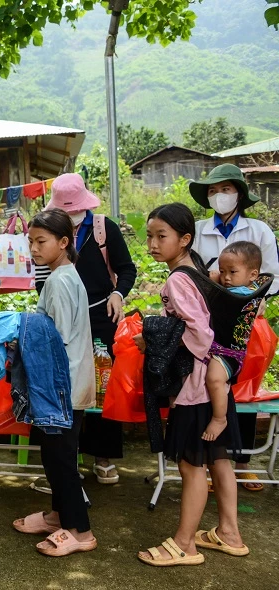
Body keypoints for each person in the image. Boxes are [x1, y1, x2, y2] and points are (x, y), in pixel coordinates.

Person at [137, 203, 248, 566]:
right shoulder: (196, 268)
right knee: (217, 461)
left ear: (184, 239)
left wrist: (153, 339)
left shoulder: (177, 279)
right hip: (217, 380)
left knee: (190, 465)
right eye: (149, 235)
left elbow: (199, 333)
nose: (153, 243)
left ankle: (185, 544)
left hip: (197, 385)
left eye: (161, 236)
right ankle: (229, 533)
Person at [37, 173, 137, 485]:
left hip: (102, 314)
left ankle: (103, 456)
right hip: (66, 314)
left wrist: (118, 295)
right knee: (65, 381)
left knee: (104, 384)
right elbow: (41, 275)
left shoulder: (103, 228)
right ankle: (68, 460)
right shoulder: (49, 231)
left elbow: (126, 268)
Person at [190, 163, 279, 492]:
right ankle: (216, 463)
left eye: (224, 189)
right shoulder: (198, 230)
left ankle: (242, 463)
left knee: (243, 391)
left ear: (239, 194)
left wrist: (257, 298)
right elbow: (194, 272)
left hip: (247, 322)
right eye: (212, 191)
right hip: (210, 320)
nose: (218, 196)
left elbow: (273, 274)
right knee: (213, 389)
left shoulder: (258, 231)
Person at [13, 209, 97, 557]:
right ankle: (57, 516)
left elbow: (55, 339)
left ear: (63, 243)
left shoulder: (60, 281)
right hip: (66, 384)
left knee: (61, 459)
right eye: (31, 241)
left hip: (63, 386)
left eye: (41, 241)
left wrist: (18, 335)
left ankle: (81, 531)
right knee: (54, 455)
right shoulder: (63, 275)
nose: (33, 248)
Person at [202, 241, 263, 442]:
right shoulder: (247, 288)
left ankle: (220, 418)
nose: (226, 278)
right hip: (221, 349)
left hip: (228, 354)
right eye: (222, 271)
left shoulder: (241, 295)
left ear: (253, 275)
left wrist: (209, 279)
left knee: (214, 379)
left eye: (232, 272)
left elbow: (215, 296)